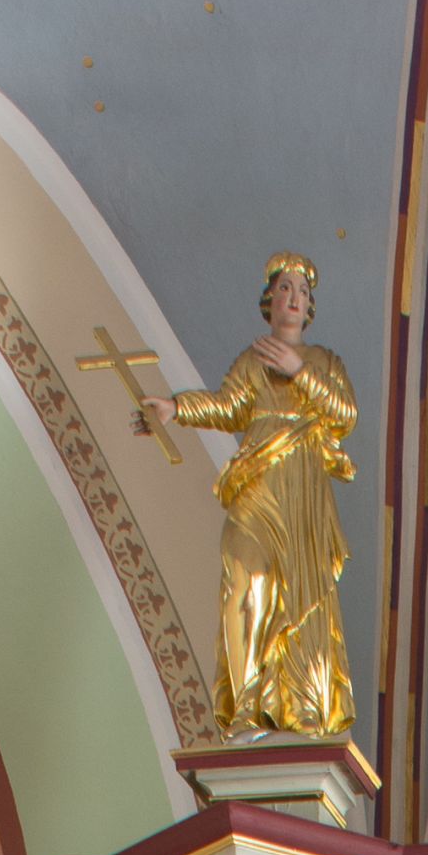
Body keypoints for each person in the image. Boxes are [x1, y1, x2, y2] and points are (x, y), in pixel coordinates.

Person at [145, 253, 361, 736]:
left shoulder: (326, 362)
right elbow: (227, 407)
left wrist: (300, 370)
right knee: (246, 580)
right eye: (284, 288)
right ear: (270, 300)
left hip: (302, 493)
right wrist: (176, 408)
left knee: (301, 592)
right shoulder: (252, 360)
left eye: (302, 292)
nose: (293, 298)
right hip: (258, 485)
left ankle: (302, 705)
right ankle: (247, 704)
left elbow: (345, 415)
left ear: (309, 307)